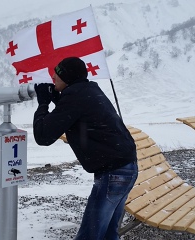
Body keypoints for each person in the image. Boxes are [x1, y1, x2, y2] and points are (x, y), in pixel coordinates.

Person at [33, 57, 138, 240]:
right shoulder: (89, 89)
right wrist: (58, 99)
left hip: (113, 173)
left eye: (57, 74)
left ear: (66, 78)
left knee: (90, 235)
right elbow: (78, 111)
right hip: (125, 168)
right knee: (107, 234)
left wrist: (43, 103)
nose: (53, 77)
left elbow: (43, 136)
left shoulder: (75, 96)